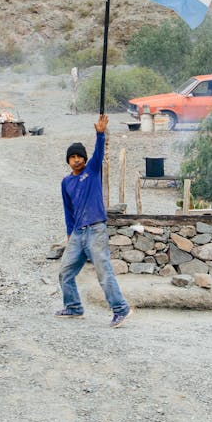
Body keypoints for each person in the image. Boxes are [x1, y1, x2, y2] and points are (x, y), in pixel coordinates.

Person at [56, 114, 133, 328]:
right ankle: (73, 307)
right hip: (78, 233)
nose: (77, 160)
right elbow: (68, 210)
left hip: (96, 229)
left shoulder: (91, 170)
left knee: (103, 271)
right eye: (73, 157)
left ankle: (121, 309)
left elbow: (99, 152)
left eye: (80, 156)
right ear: (68, 160)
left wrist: (100, 133)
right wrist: (69, 232)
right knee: (65, 272)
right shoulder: (66, 182)